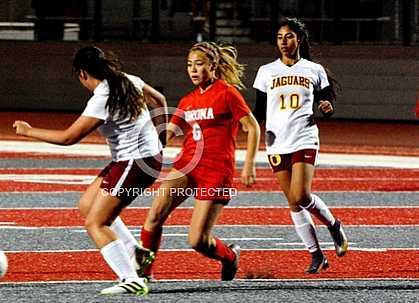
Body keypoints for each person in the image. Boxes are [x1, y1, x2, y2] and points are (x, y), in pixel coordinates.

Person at [13, 46, 167, 295]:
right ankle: (135, 254)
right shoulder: (128, 80)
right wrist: (161, 141)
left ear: (82, 74)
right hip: (136, 159)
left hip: (135, 163)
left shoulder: (103, 98)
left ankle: (131, 278)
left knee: (96, 223)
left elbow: (68, 138)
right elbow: (159, 101)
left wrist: (28, 131)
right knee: (87, 204)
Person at [138, 42, 261, 281]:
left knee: (198, 241)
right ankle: (143, 274)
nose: (193, 70)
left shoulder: (227, 93)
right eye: (189, 65)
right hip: (186, 165)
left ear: (213, 65)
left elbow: (252, 127)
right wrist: (141, 120)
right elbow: (166, 135)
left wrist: (249, 165)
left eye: (199, 64)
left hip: (216, 170)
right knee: (154, 215)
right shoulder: (188, 100)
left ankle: (229, 256)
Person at [252, 18, 348, 274]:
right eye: (280, 37)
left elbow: (326, 102)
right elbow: (259, 110)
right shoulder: (266, 71)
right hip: (275, 142)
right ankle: (316, 254)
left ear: (300, 40)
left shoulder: (313, 70)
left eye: (289, 37)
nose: (284, 42)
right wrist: (243, 124)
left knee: (301, 195)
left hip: (304, 137)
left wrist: (327, 108)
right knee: (293, 203)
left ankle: (333, 225)